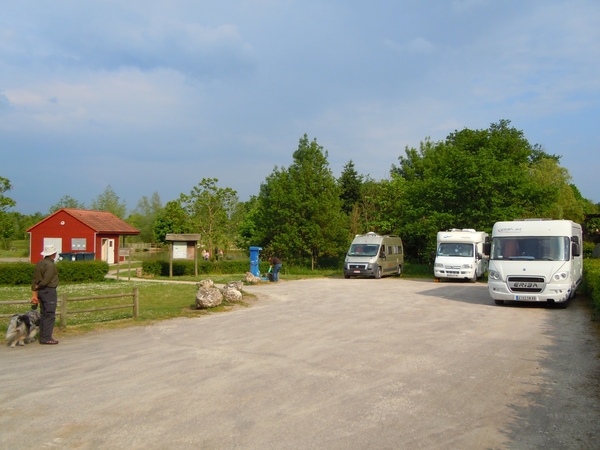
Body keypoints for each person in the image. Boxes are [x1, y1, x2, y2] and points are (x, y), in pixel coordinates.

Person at [31, 244, 60, 345]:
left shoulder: (39, 263)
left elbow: (34, 278)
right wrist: (40, 285)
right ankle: (47, 337)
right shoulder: (50, 265)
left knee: (43, 313)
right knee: (49, 314)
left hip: (42, 292)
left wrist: (34, 291)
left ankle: (43, 336)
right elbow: (46, 279)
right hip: (49, 291)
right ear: (53, 254)